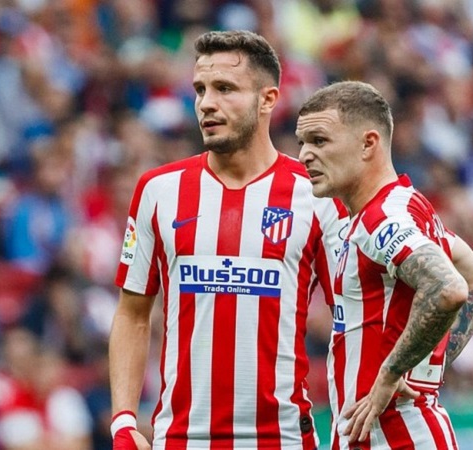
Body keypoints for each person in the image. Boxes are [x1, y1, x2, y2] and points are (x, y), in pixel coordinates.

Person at [108, 30, 348, 450]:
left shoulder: (317, 195)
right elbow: (132, 313)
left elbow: (353, 315)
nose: (206, 103)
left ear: (268, 100)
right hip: (181, 439)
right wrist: (124, 420)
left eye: (225, 88)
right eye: (200, 89)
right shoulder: (158, 190)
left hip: (283, 439)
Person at [296, 81, 473, 449]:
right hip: (378, 430)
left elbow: (450, 288)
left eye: (319, 141)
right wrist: (422, 367)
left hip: (396, 435)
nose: (305, 155)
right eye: (302, 143)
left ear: (368, 144)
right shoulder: (404, 206)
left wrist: (391, 373)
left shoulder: (382, 220)